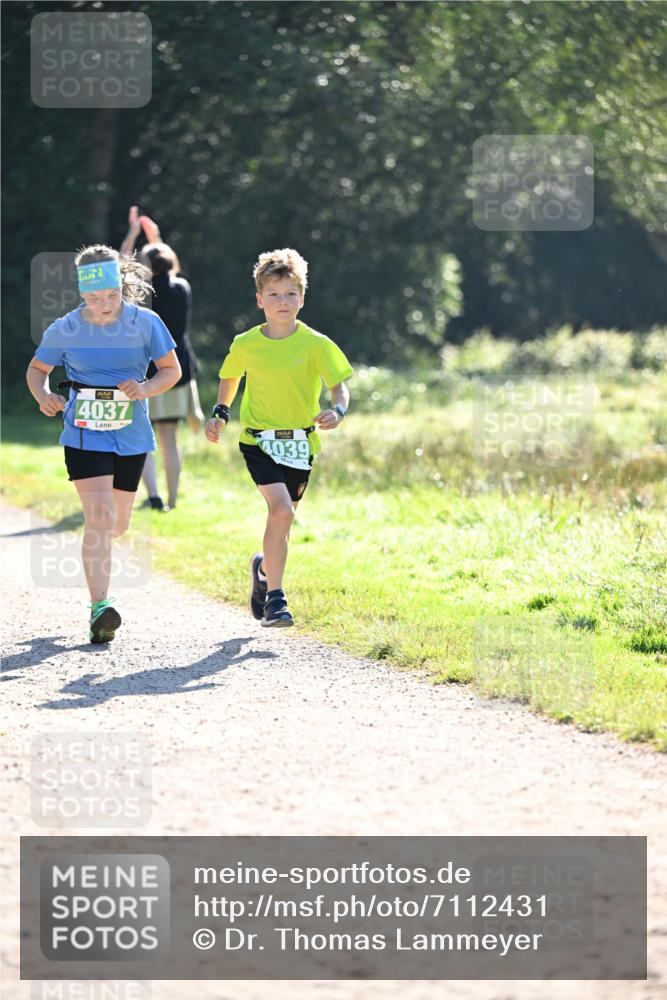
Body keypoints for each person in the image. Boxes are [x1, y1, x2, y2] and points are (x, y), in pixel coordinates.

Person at [26, 244, 181, 643]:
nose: (105, 304)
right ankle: (100, 607)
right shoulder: (65, 328)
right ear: (82, 293)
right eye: (95, 298)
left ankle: (96, 562)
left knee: (117, 523)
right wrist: (44, 395)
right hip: (82, 431)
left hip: (130, 434)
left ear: (122, 285)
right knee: (98, 519)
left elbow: (171, 371)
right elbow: (37, 369)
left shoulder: (146, 323)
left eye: (111, 295)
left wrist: (145, 387)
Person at [205, 248, 353, 627]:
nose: (282, 302)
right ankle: (276, 600)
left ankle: (263, 573)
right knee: (281, 511)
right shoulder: (246, 344)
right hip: (258, 441)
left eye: (290, 293)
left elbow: (340, 388)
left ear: (302, 298)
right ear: (260, 300)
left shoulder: (317, 344)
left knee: (283, 521)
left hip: (301, 444)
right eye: (273, 294)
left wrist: (337, 411)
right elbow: (230, 378)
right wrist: (221, 412)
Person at [120, 206, 204, 510]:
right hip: (178, 369)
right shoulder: (183, 288)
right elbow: (163, 265)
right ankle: (172, 500)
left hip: (147, 372)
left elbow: (123, 266)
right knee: (169, 439)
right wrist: (156, 241)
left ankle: (153, 497)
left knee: (142, 437)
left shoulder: (142, 294)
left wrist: (133, 234)